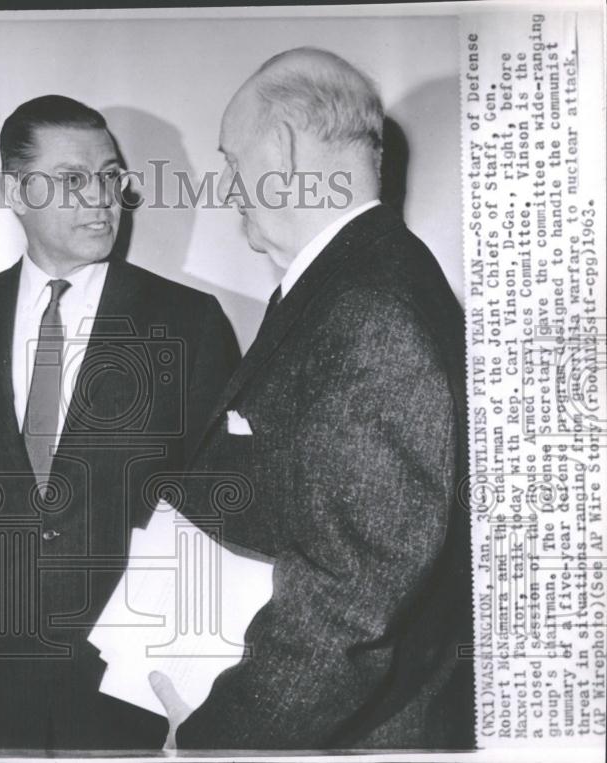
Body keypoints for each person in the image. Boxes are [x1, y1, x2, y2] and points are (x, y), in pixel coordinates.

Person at [149, 47, 474, 749]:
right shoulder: (352, 279)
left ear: (283, 146)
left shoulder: (367, 308)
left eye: (232, 160)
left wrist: (215, 739)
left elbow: (347, 601)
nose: (228, 186)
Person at [0, 94, 240, 752]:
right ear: (16, 191)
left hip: (140, 693)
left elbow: (219, 519)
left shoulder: (187, 323)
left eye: (112, 176)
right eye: (73, 179)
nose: (102, 198)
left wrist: (200, 688)